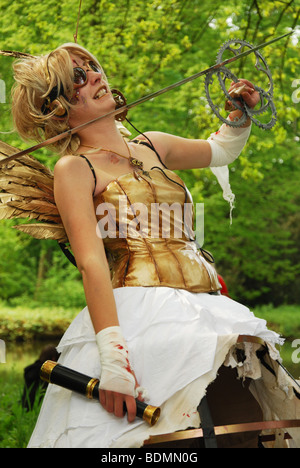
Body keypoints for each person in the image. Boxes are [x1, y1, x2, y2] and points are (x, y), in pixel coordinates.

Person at [8, 43, 299, 448]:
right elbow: (92, 265)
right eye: (76, 77)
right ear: (56, 107)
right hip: (139, 314)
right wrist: (113, 364)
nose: (94, 75)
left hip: (205, 306)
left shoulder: (153, 144)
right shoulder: (74, 168)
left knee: (244, 429)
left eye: (92, 65)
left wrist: (237, 114)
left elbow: (220, 150)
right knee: (155, 443)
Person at [21, 345, 59, 411]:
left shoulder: (31, 369)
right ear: (53, 358)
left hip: (25, 406)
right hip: (39, 409)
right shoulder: (48, 372)